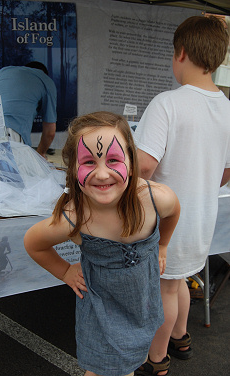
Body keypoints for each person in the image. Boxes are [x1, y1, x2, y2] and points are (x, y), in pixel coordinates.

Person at [24, 111, 180, 376]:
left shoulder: (155, 199)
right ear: (73, 168)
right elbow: (33, 243)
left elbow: (174, 211)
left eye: (113, 160)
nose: (102, 173)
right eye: (88, 162)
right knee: (100, 368)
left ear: (131, 162)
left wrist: (162, 246)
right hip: (100, 311)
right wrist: (64, 271)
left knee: (130, 362)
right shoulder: (74, 217)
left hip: (141, 303)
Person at [133, 15, 230, 376]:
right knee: (182, 279)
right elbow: (226, 171)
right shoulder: (227, 107)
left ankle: (156, 360)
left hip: (168, 221)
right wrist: (202, 182)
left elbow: (143, 167)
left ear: (181, 53)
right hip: (201, 217)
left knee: (165, 289)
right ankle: (181, 337)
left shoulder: (167, 103)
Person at [0, 61, 57, 158]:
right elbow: (50, 131)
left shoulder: (4, 71)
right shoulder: (46, 80)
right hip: (6, 133)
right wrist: (40, 154)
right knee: (13, 171)